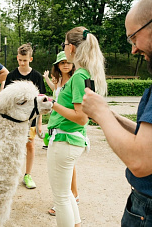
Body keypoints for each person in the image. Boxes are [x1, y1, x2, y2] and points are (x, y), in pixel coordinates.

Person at [82, 0, 152, 225]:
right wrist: (111, 117)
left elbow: (140, 161)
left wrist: (101, 113)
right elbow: (146, 140)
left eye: (134, 37)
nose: (133, 48)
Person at [47, 27, 107, 227]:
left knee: (61, 198)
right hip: (69, 140)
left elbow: (81, 118)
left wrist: (52, 104)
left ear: (71, 47)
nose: (64, 49)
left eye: (64, 45)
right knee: (66, 194)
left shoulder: (79, 76)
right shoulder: (84, 74)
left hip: (65, 140)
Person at [4, 44, 47, 189]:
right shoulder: (11, 76)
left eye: (25, 60)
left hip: (31, 119)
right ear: (17, 58)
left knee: (30, 144)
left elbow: (41, 102)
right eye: (20, 60)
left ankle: (27, 175)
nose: (22, 63)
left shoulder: (36, 76)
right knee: (12, 146)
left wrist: (39, 123)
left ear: (31, 59)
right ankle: (10, 174)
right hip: (13, 120)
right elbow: (7, 101)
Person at [42, 51, 79, 216]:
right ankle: (72, 195)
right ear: (57, 65)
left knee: (64, 166)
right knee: (66, 165)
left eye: (68, 62)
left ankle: (66, 199)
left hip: (67, 127)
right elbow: (54, 92)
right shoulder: (59, 81)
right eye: (62, 62)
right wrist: (47, 79)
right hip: (56, 125)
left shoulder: (75, 80)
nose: (65, 64)